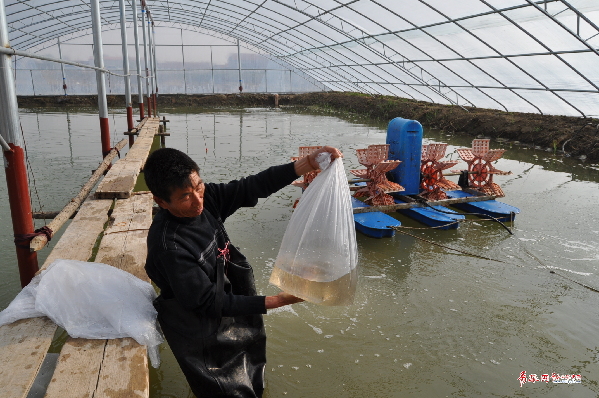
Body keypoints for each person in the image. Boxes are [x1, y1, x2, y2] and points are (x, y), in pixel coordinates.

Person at [144, 146, 342, 398]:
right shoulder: (169, 246)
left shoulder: (207, 198)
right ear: (160, 201)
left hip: (227, 301)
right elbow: (205, 302)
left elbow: (252, 187)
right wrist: (281, 299)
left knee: (252, 370)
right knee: (221, 388)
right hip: (198, 325)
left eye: (199, 187)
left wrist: (308, 164)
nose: (198, 201)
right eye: (185, 196)